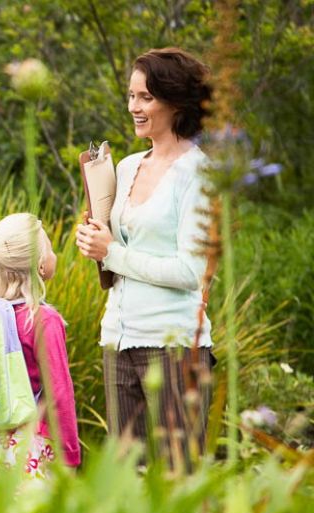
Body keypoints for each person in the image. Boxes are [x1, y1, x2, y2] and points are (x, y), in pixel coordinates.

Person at [76, 47, 215, 466]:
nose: (134, 107)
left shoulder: (199, 173)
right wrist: (94, 239)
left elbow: (191, 271)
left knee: (180, 479)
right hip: (118, 338)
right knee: (126, 487)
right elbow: (119, 248)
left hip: (174, 347)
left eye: (146, 98)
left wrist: (113, 254)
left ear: (175, 102)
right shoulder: (127, 166)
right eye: (131, 96)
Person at [0, 214, 80, 482]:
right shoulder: (43, 320)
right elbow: (59, 392)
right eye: (50, 248)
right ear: (40, 265)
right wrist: (70, 455)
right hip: (34, 446)